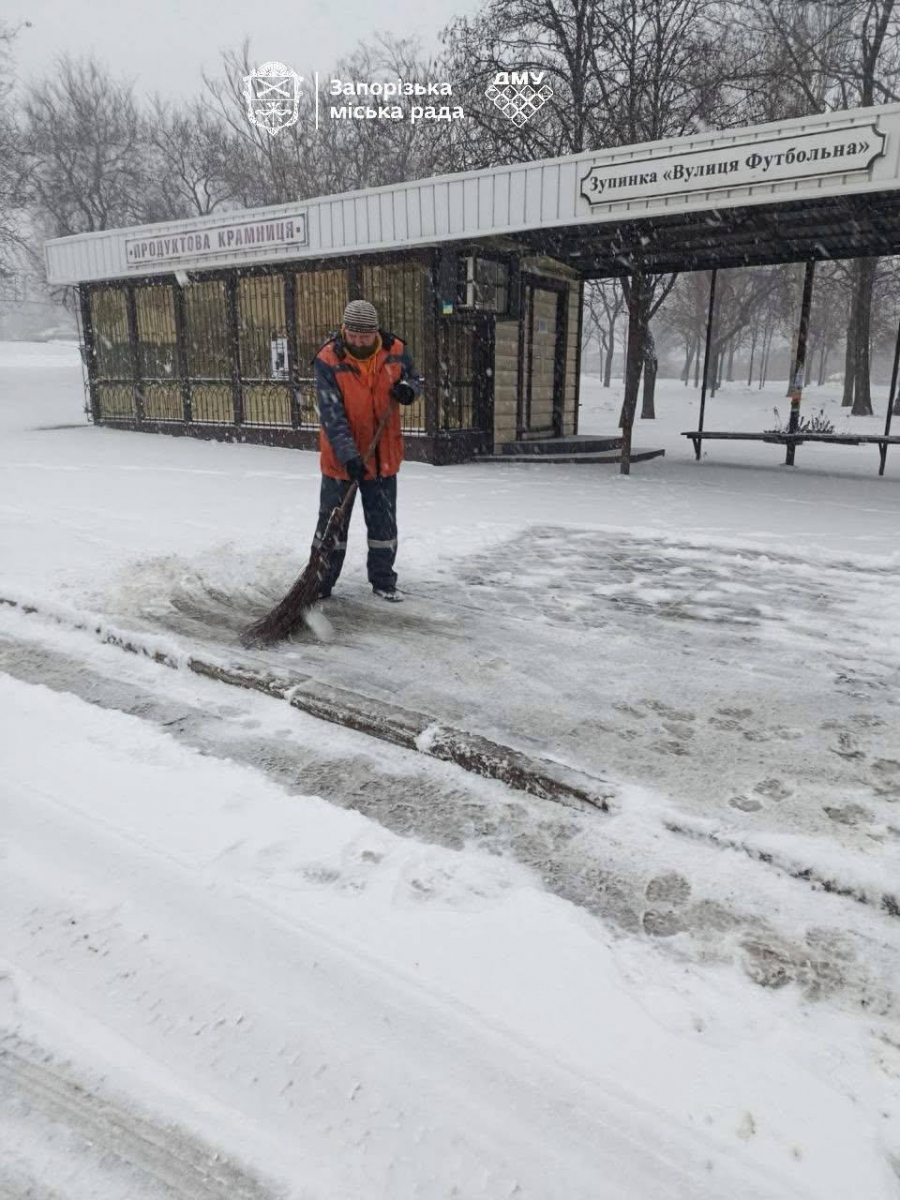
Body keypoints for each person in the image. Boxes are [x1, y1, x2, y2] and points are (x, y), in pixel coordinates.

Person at [310, 299, 421, 603]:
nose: (359, 341)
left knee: (383, 524)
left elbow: (414, 377)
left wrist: (409, 389)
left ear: (375, 332)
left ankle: (384, 581)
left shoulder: (395, 351)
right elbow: (332, 417)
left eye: (365, 336)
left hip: (383, 456)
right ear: (344, 329)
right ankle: (320, 582)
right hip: (341, 461)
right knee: (332, 525)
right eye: (353, 335)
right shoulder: (328, 359)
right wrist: (349, 456)